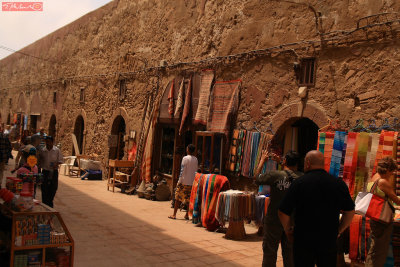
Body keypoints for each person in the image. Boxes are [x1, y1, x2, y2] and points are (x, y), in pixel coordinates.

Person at [278, 150, 355, 267]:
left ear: (308, 163)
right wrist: (339, 230)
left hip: (303, 239)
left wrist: (288, 231)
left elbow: (283, 212)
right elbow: (350, 211)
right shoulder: (338, 184)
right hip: (328, 239)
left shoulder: (299, 183)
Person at [254, 150, 302, 267]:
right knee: (290, 254)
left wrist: (262, 161)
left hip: (274, 220)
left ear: (285, 161)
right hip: (293, 222)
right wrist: (281, 161)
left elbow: (257, 178)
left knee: (270, 252)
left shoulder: (276, 175)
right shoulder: (302, 178)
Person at [365, 157, 400, 267]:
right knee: (379, 251)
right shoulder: (383, 182)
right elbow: (396, 200)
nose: (392, 174)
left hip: (375, 218)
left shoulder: (374, 178)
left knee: (374, 249)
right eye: (392, 171)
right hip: (382, 220)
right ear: (388, 170)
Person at [169, 144, 198, 220]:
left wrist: (179, 180)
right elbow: (196, 171)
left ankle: (174, 214)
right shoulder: (196, 159)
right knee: (188, 198)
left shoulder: (185, 158)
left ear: (188, 150)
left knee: (178, 197)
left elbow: (182, 170)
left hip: (184, 181)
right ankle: (187, 214)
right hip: (192, 182)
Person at [39, 136, 63, 207]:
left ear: (52, 142)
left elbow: (61, 160)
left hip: (54, 171)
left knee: (53, 188)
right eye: (46, 142)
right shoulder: (43, 151)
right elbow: (40, 161)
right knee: (44, 188)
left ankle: (50, 202)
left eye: (49, 142)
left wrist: (56, 164)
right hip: (45, 171)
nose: (47, 143)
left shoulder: (57, 150)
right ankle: (45, 204)